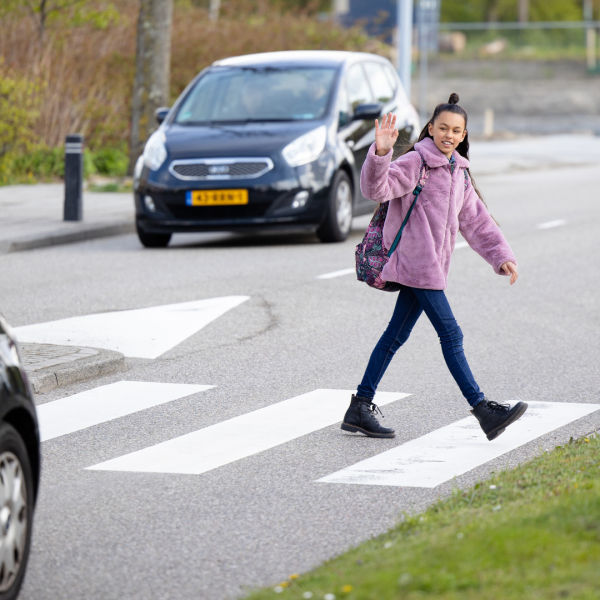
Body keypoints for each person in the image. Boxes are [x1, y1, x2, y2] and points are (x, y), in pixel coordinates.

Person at [342, 93, 528, 442]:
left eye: (456, 130)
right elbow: (375, 188)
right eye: (443, 127)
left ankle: (360, 405)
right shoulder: (416, 163)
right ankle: (482, 409)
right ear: (431, 128)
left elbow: (476, 220)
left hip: (430, 269)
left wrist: (500, 255)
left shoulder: (458, 170)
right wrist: (381, 153)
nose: (449, 134)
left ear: (463, 135)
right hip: (415, 266)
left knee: (394, 336)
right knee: (452, 335)